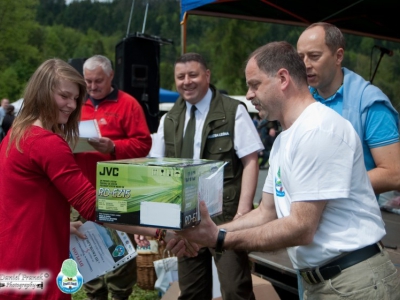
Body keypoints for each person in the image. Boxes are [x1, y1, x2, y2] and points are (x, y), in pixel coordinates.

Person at [174, 42, 400, 300]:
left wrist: (220, 239)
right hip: (326, 281)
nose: (248, 94)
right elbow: (266, 213)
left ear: (282, 78)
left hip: (353, 282)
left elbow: (301, 227)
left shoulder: (317, 130)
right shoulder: (286, 138)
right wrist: (210, 234)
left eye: (254, 84)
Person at [0, 58, 196, 300]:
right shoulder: (46, 143)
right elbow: (95, 206)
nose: (71, 105)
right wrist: (160, 231)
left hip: (13, 262)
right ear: (42, 92)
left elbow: (18, 201)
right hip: (38, 264)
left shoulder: (16, 133)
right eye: (64, 96)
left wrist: (59, 224)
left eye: (75, 98)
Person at [150, 52, 263, 300]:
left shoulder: (233, 111)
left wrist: (243, 211)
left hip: (226, 217)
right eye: (180, 77)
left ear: (207, 75)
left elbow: (250, 161)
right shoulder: (168, 119)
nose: (186, 81)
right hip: (185, 218)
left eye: (193, 74)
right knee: (191, 292)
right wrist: (155, 215)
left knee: (235, 288)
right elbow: (156, 169)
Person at [72, 55, 152, 300]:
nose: (93, 86)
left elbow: (143, 143)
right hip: (80, 188)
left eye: (98, 81)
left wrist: (114, 147)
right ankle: (94, 294)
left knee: (120, 248)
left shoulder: (128, 104)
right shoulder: (75, 104)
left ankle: (119, 294)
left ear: (111, 77)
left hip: (117, 190)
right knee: (84, 247)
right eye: (88, 81)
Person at [297, 22, 400, 196]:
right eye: (300, 57)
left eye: (314, 56)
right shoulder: (301, 98)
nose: (305, 64)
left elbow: (394, 174)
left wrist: (327, 188)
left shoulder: (370, 102)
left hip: (352, 219)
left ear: (338, 56)